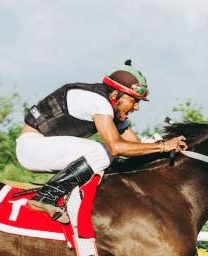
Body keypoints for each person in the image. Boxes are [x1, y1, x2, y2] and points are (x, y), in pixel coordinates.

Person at [16, 60, 187, 223]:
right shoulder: (99, 102)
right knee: (105, 152)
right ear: (115, 94)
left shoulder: (112, 107)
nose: (136, 107)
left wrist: (163, 145)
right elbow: (117, 147)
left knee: (109, 155)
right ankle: (46, 196)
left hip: (45, 149)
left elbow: (134, 146)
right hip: (31, 148)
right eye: (134, 100)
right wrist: (163, 146)